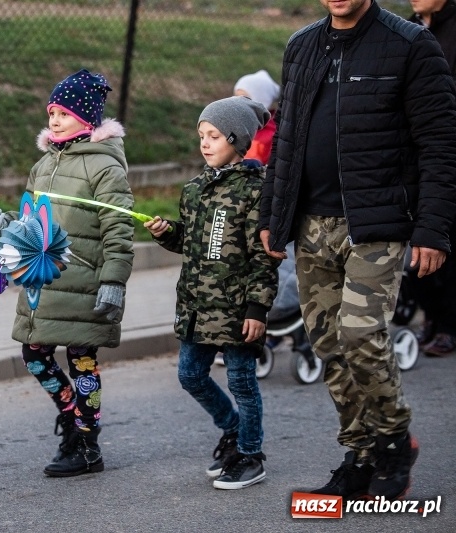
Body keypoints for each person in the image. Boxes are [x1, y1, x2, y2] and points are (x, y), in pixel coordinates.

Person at [259, 0, 456, 501]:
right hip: (311, 225)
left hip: (377, 224)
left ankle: (393, 443)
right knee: (328, 346)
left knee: (362, 336)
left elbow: (439, 142)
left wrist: (433, 229)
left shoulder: (410, 44)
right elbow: (287, 141)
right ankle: (361, 451)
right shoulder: (301, 45)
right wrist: (271, 216)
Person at [0, 69, 134, 477]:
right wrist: (3, 221)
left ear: (86, 119)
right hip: (44, 280)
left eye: (63, 112)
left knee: (82, 359)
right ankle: (72, 416)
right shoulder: (44, 164)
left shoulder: (104, 168)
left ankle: (87, 446)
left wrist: (114, 281)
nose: (54, 119)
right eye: (51, 111)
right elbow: (31, 221)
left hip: (84, 281)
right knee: (34, 353)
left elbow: (119, 229)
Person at [145, 96, 279, 490]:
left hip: (237, 310)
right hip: (198, 307)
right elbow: (190, 242)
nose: (204, 143)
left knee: (241, 381)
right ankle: (233, 429)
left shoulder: (257, 191)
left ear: (237, 140)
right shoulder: (194, 190)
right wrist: (167, 233)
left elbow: (263, 256)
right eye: (201, 135)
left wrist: (257, 307)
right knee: (190, 375)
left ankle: (251, 455)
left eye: (214, 136)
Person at [405, 0, 456, 356]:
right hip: (411, 154)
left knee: (446, 241)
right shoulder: (407, 28)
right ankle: (431, 319)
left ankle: (449, 326)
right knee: (414, 241)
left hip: (446, 148)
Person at [233, 70, 281, 165]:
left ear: (261, 102)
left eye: (245, 98)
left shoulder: (270, 133)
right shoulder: (237, 125)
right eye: (235, 98)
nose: (238, 103)